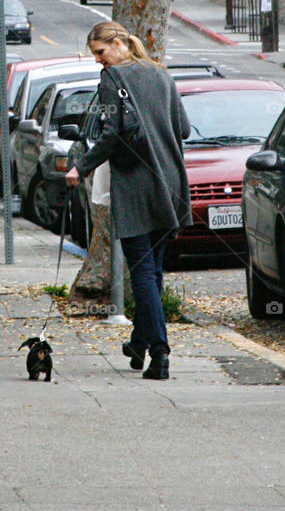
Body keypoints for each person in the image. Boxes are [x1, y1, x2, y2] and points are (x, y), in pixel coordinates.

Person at [65, 21, 192, 381]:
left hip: (136, 186)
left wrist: (81, 167)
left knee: (141, 273)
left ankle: (160, 352)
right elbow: (182, 128)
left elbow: (110, 134)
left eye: (100, 52)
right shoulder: (161, 74)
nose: (98, 61)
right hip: (170, 181)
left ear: (118, 43)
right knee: (151, 270)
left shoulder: (113, 80)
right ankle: (139, 343)